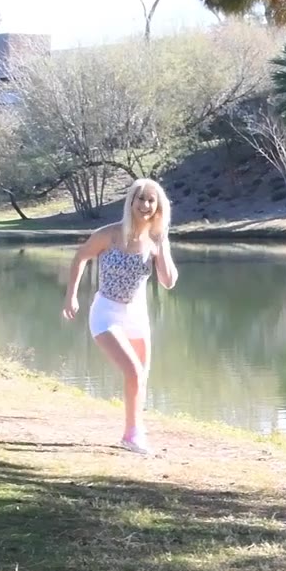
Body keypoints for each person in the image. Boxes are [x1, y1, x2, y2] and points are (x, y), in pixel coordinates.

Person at [62, 179, 177, 454]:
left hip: (137, 315)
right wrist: (71, 296)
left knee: (141, 376)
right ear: (131, 202)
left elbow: (168, 282)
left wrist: (162, 243)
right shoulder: (110, 234)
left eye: (151, 200)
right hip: (106, 312)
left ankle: (134, 430)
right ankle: (132, 435)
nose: (145, 205)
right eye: (141, 199)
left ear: (158, 206)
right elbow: (80, 257)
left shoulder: (155, 240)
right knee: (133, 371)